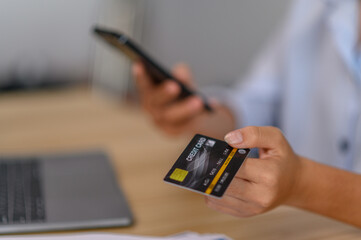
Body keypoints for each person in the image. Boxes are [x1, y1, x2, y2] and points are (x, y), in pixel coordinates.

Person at [132, 0, 361, 227]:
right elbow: (262, 102)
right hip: (295, 225)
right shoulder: (312, 6)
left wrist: (302, 183)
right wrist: (200, 114)